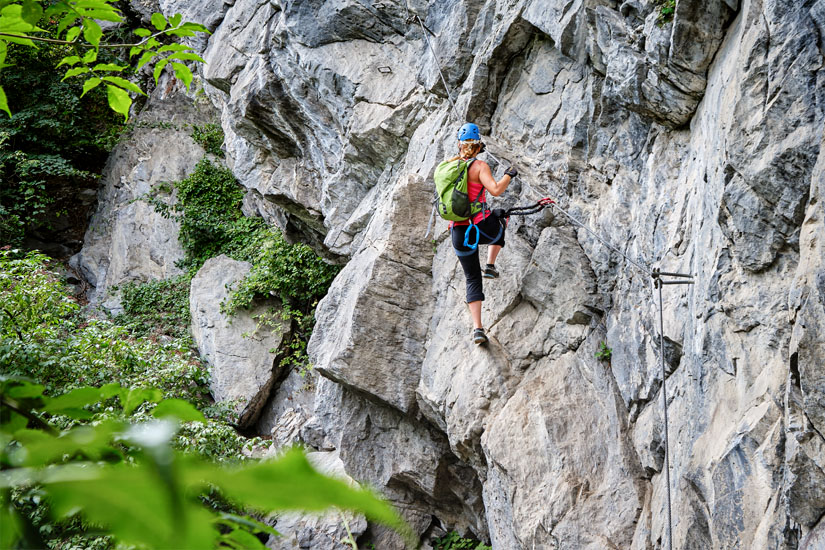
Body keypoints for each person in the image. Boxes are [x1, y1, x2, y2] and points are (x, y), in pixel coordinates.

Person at [449, 123, 517, 345]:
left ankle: (477, 329)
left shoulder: (448, 167)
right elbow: (496, 189)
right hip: (480, 228)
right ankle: (490, 265)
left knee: (471, 278)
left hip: (458, 231)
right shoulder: (480, 166)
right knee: (501, 219)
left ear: (460, 145)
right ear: (478, 145)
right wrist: (509, 175)